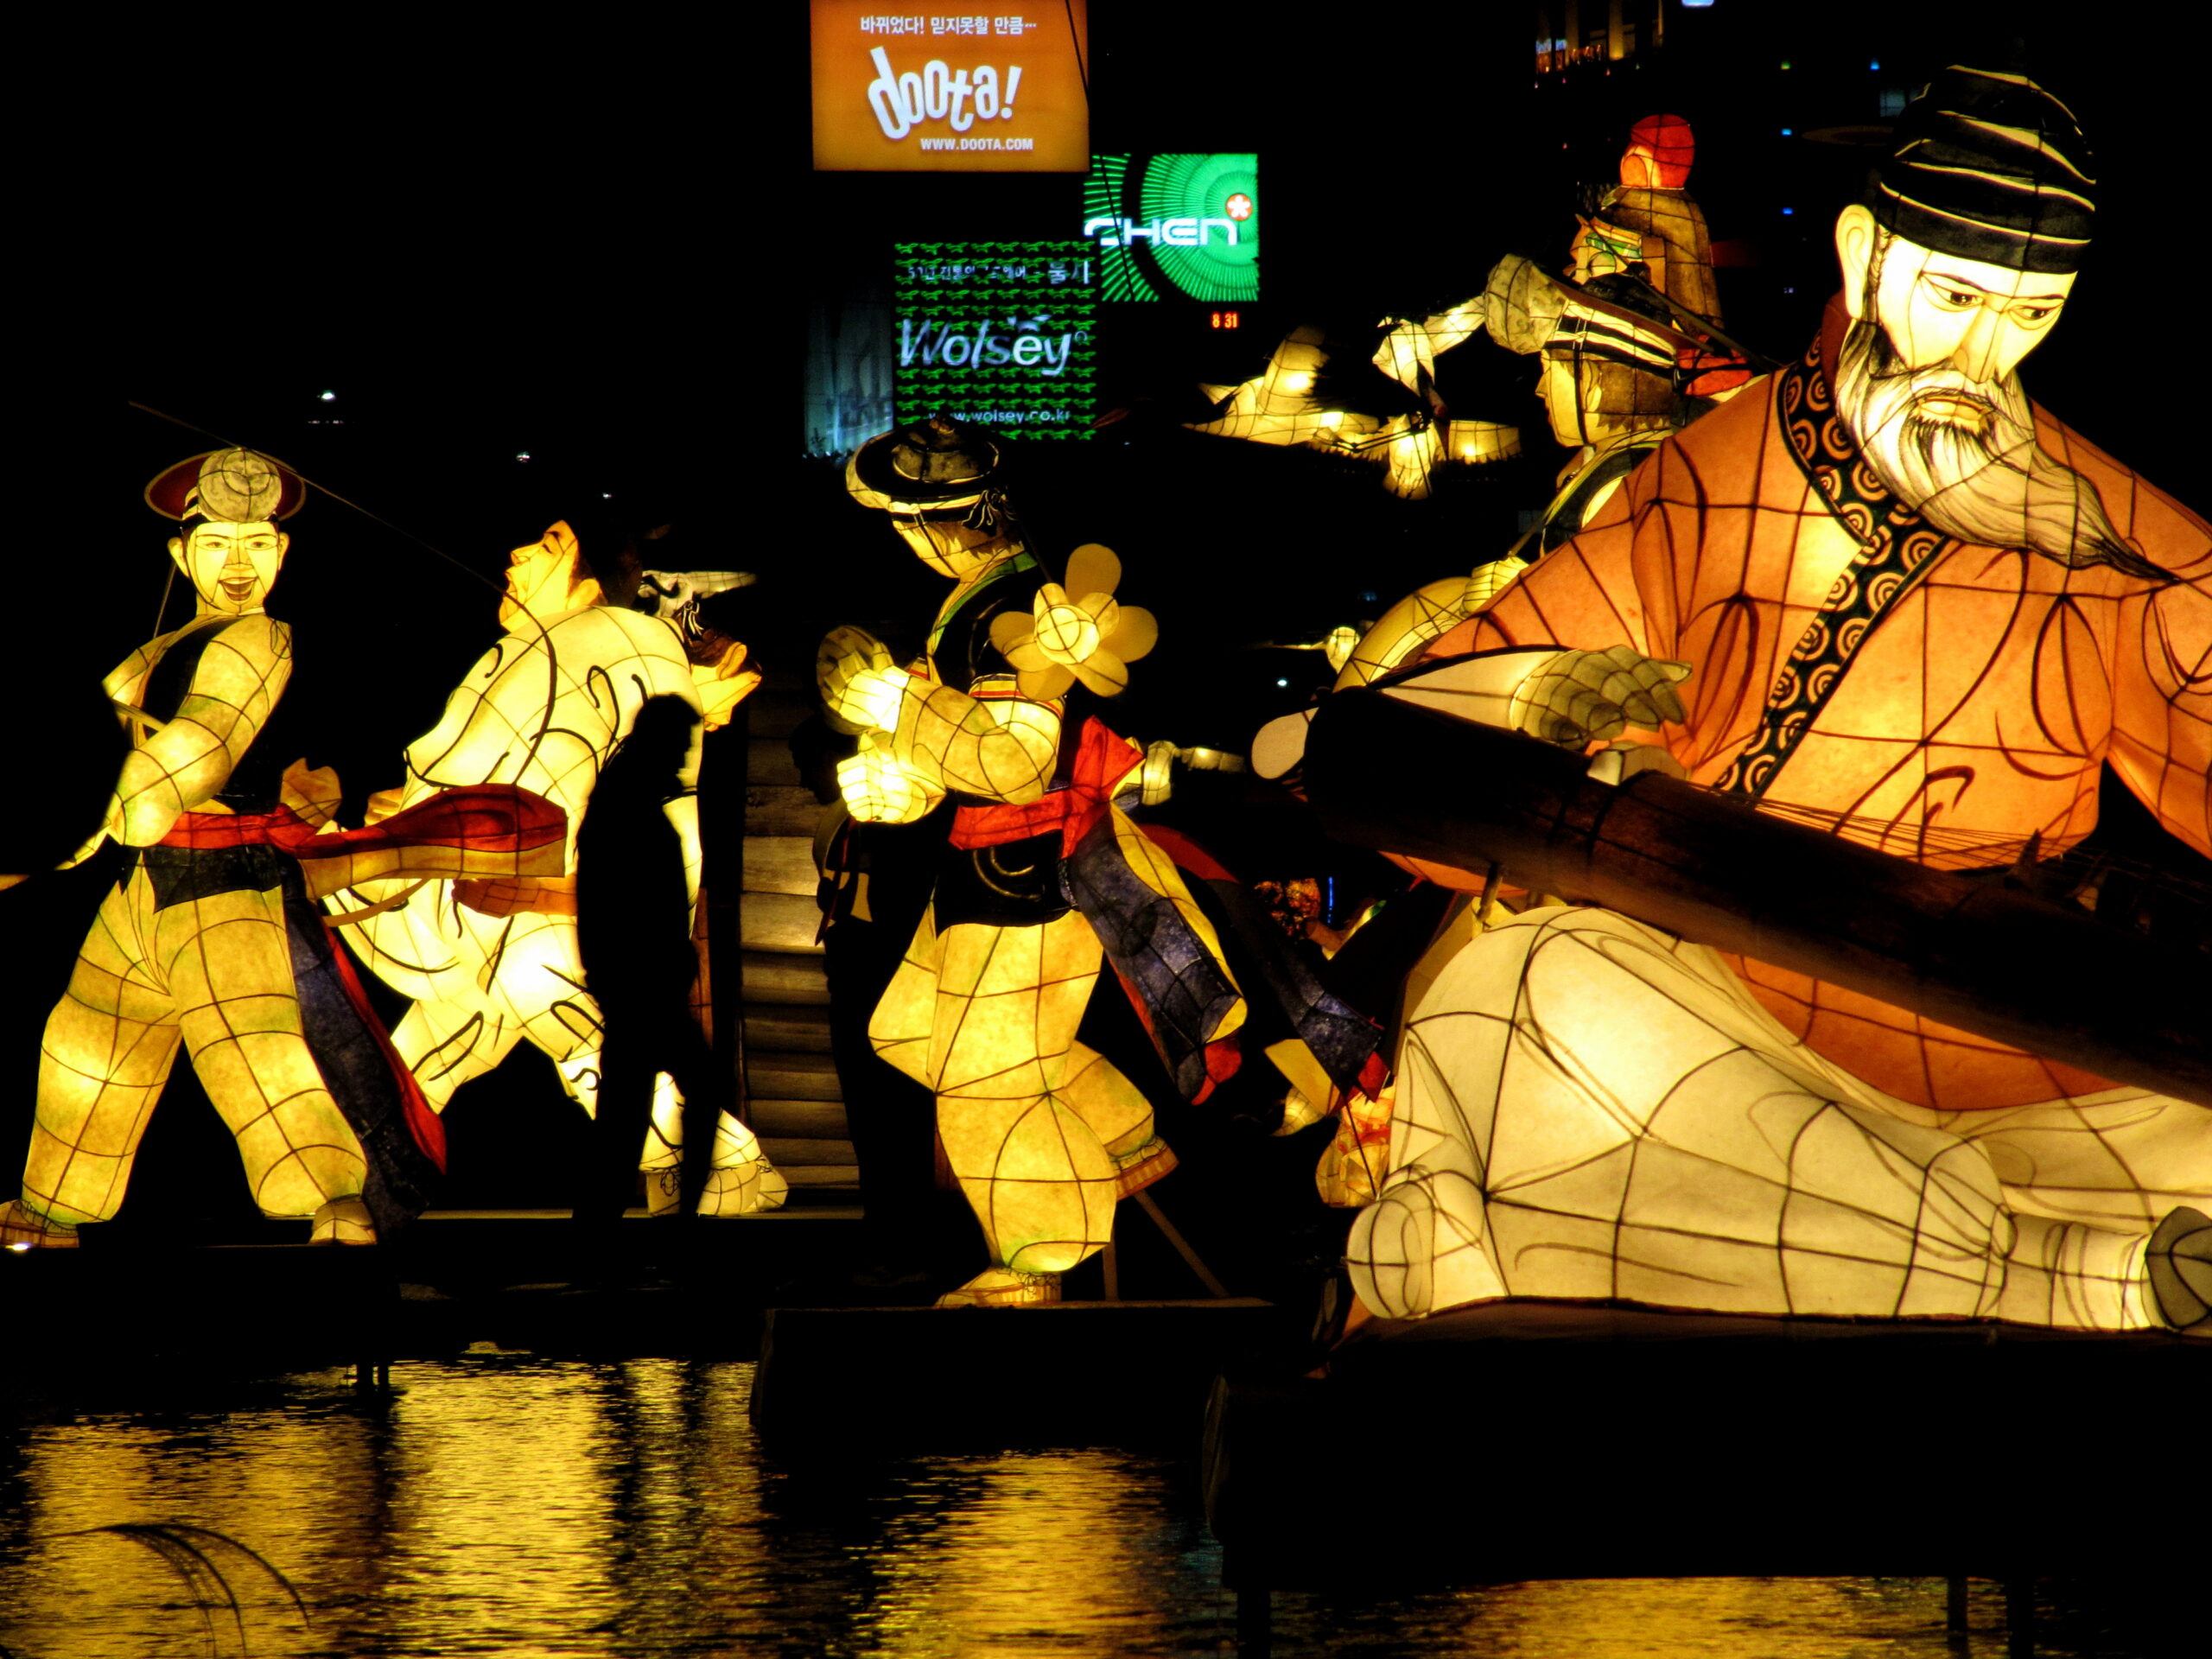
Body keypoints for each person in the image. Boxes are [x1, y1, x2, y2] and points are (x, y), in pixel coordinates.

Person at [1281, 66, 2212, 1334]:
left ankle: (2056, 1261)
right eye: (1952, 296)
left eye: (2030, 314)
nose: (1981, 355)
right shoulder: (1706, 481)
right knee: (1511, 1005)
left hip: (2026, 1073)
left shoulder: (2125, 546)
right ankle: (2079, 1286)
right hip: (1719, 1037)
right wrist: (1542, 703)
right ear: (1865, 253)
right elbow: (1414, 755)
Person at [0, 450, 561, 1248]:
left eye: (257, 544)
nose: (239, 563)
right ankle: (50, 1209)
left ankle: (336, 1206)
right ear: (180, 552)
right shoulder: (160, 650)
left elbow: (205, 742)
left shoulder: (260, 640)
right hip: (140, 890)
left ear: (282, 553)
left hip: (222, 890)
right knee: (86, 1048)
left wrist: (107, 814)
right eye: (220, 542)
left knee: (256, 1058)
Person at [827, 416, 1247, 1306]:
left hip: (1032, 872)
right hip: (983, 868)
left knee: (984, 1080)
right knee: (902, 1033)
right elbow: (963, 749)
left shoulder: (1004, 615)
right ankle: (1123, 1134)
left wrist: (894, 699)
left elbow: (1014, 760)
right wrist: (898, 766)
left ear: (930, 524)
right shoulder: (984, 601)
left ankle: (1040, 1256)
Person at [326, 519, 786, 1217]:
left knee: (591, 1053)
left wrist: (559, 896)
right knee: (427, 1058)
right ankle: (357, 1184)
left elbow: (670, 810)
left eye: (546, 545)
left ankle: (728, 1163)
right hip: (484, 906)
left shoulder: (616, 645)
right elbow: (465, 769)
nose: (515, 556)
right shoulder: (534, 654)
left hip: (544, 920)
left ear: (591, 577)